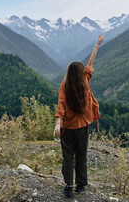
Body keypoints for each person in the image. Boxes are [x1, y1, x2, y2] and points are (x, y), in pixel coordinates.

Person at [54, 34, 105, 198]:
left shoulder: (64, 86)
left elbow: (61, 105)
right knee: (81, 155)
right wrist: (97, 45)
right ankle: (81, 185)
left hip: (67, 127)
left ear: (69, 72)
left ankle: (69, 185)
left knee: (68, 156)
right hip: (83, 126)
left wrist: (57, 124)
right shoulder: (85, 81)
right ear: (81, 72)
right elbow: (90, 64)